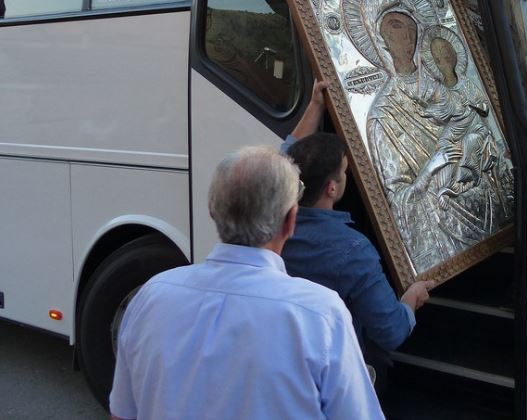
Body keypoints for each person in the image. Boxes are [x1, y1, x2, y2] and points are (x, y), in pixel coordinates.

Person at [109, 146, 382, 420]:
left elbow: (122, 414)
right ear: (290, 222)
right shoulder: (322, 315)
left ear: (213, 212)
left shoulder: (150, 297)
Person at [281, 129, 434, 355]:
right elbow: (392, 331)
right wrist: (411, 298)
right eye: (344, 171)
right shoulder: (353, 250)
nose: (347, 175)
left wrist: (314, 103)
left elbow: (283, 158)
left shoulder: (268, 224)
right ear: (332, 188)